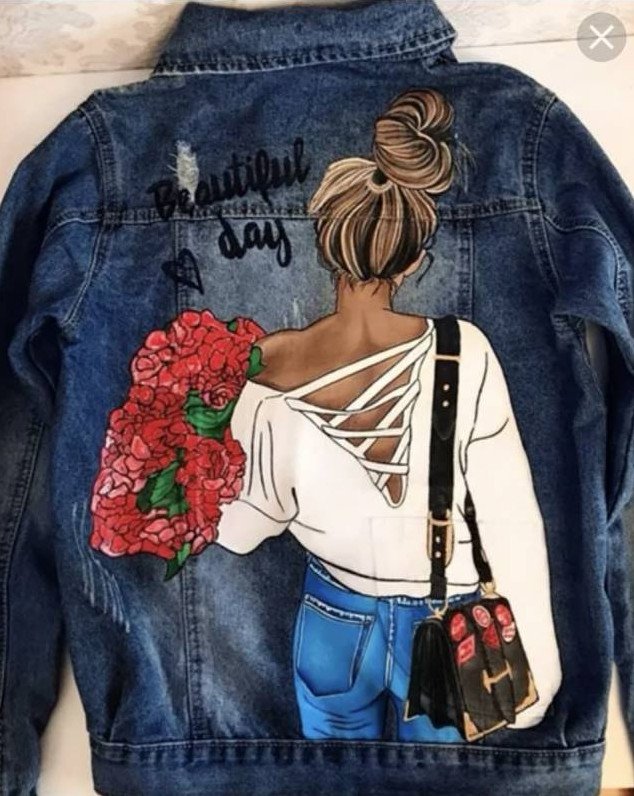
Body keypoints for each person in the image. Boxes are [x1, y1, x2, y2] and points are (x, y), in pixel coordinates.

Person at [216, 88, 561, 741]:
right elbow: (509, 515)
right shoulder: (463, 351)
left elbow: (242, 528)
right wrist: (537, 674)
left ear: (325, 242)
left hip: (333, 619)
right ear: (413, 260)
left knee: (334, 774)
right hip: (449, 626)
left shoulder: (268, 364)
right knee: (434, 780)